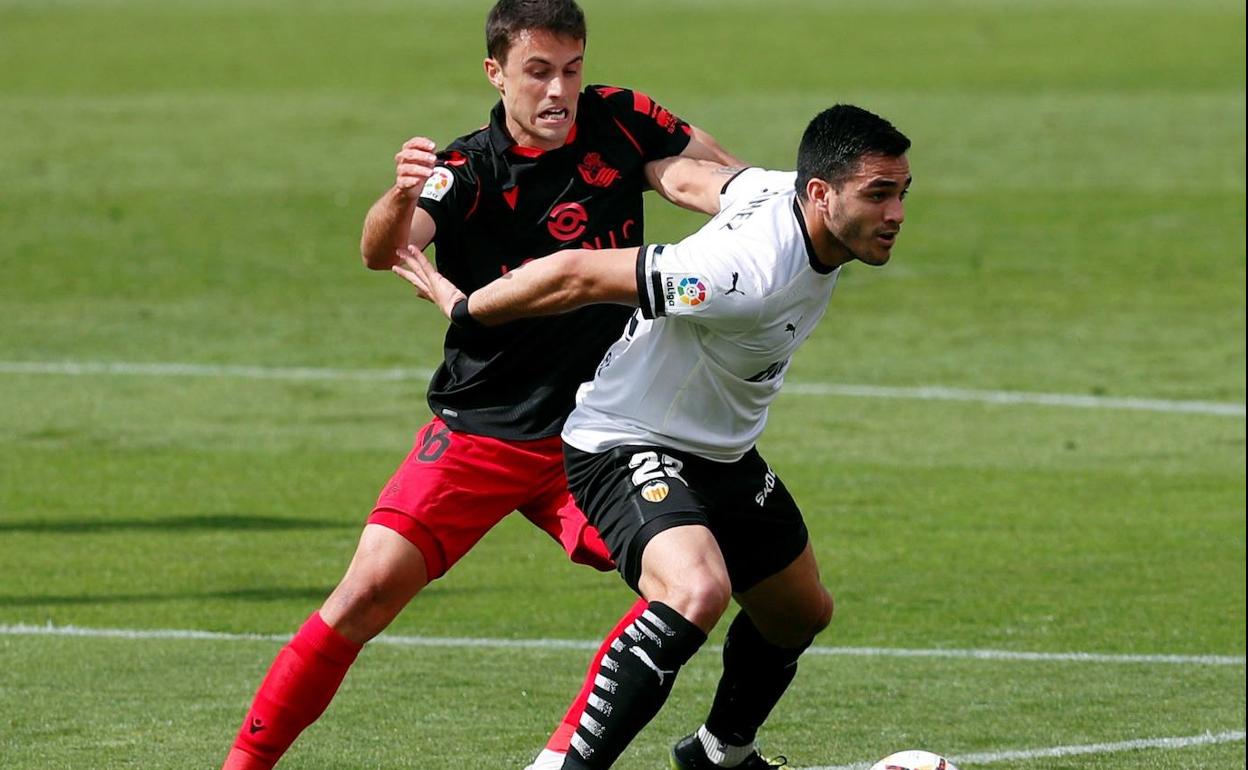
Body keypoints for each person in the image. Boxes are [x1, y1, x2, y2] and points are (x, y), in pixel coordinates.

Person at [219, 0, 741, 767]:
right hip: (483, 431)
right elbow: (381, 250)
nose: (558, 90)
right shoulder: (466, 170)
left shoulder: (622, 119)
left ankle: (598, 754)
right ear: (496, 73)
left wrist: (749, 207)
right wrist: (399, 194)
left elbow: (715, 173)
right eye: (537, 72)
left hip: (603, 437)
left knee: (697, 584)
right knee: (362, 596)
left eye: (571, 69)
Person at [393, 103, 912, 769]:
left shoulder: (783, 192)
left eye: (901, 193)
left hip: (721, 451)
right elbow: (575, 273)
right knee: (694, 591)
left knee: (799, 612)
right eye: (878, 195)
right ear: (819, 193)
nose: (896, 214)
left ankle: (719, 753)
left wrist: (650, 153)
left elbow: (697, 181)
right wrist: (463, 305)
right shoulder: (739, 276)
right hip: (624, 440)